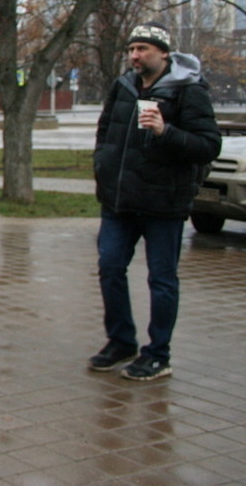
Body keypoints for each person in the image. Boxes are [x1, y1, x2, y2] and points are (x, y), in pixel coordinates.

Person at [90, 22, 221, 381]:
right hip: (119, 201)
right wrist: (101, 165)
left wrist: (166, 132)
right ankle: (121, 341)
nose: (135, 55)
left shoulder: (187, 91)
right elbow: (105, 132)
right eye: (132, 49)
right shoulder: (124, 86)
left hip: (164, 204)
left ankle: (158, 354)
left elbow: (209, 145)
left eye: (143, 49)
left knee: (161, 281)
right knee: (110, 267)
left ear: (163, 53)